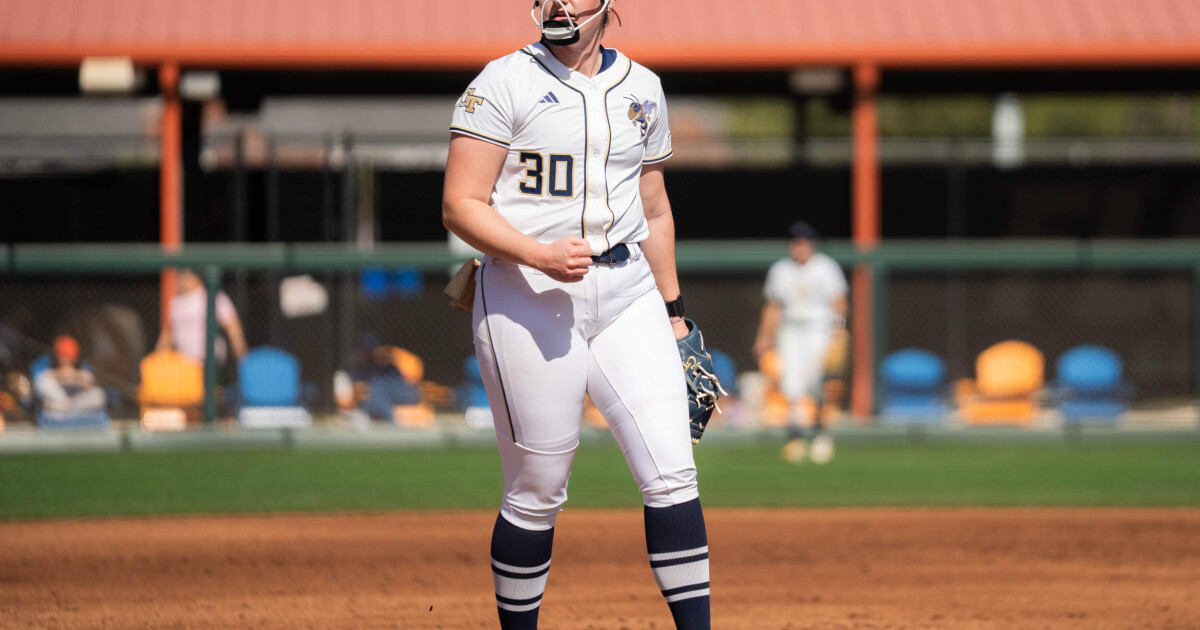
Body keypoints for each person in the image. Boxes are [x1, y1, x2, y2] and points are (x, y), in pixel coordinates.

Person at [442, 1, 711, 628]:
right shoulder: (503, 81)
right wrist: (537, 253)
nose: (558, 3)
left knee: (673, 474)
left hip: (628, 291)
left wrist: (674, 312)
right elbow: (460, 204)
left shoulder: (642, 86)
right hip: (526, 290)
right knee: (537, 490)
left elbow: (655, 207)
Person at [754, 222, 848, 465]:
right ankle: (795, 436)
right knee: (791, 383)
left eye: (804, 242)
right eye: (796, 242)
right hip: (791, 328)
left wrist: (839, 332)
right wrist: (764, 337)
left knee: (818, 382)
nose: (800, 247)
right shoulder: (781, 270)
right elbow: (773, 306)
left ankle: (821, 433)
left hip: (819, 328)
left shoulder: (826, 267)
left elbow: (839, 302)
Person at [156, 268, 248, 367]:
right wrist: (158, 356)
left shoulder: (213, 296)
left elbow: (233, 328)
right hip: (182, 363)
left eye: (184, 275)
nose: (180, 279)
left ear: (195, 276)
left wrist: (243, 357)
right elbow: (168, 333)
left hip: (208, 361)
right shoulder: (176, 302)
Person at [33, 335, 106, 415]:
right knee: (41, 381)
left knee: (99, 395)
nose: (64, 360)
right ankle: (62, 406)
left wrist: (75, 376)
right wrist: (59, 375)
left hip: (75, 402)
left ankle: (62, 408)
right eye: (62, 356)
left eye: (68, 356)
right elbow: (41, 383)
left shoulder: (82, 368)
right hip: (59, 399)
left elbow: (90, 385)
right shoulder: (49, 366)